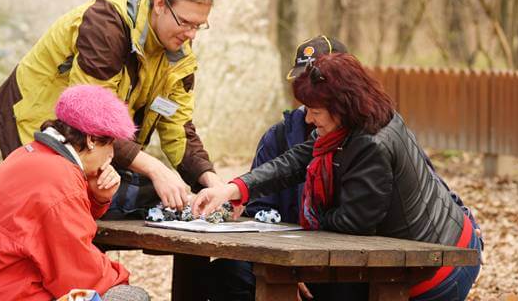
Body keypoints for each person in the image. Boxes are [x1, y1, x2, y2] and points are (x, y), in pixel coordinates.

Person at [193, 53, 482, 301]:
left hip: (439, 269)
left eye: (315, 112)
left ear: (341, 106)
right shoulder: (356, 123)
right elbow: (295, 161)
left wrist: (306, 228)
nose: (308, 120)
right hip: (427, 250)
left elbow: (353, 225)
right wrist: (234, 189)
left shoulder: (372, 144)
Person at [0, 0, 223, 214]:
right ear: (160, 4)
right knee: (67, 208)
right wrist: (156, 169)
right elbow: (90, 117)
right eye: (185, 22)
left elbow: (178, 126)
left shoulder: (179, 53)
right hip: (39, 123)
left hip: (92, 144)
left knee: (163, 198)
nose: (191, 35)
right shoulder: (107, 24)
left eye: (199, 26)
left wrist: (211, 181)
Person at [0, 85, 150, 301]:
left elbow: (51, 228)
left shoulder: (27, 154)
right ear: (91, 139)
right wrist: (122, 279)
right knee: (129, 296)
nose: (111, 155)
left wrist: (97, 197)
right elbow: (82, 275)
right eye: (111, 144)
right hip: (2, 294)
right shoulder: (61, 180)